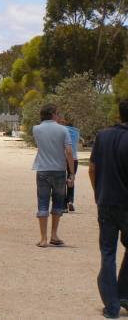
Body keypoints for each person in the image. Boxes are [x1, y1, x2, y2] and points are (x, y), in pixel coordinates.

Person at [89, 100, 128, 319]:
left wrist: (98, 194)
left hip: (106, 203)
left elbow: (92, 169)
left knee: (108, 252)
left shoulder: (102, 136)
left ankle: (112, 305)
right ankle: (123, 293)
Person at [32, 103, 75, 247]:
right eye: (57, 113)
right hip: (59, 171)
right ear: (53, 114)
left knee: (42, 202)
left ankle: (43, 238)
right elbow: (69, 151)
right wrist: (72, 173)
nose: (59, 115)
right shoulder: (63, 130)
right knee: (57, 202)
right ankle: (54, 235)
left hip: (42, 169)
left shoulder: (36, 129)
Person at [64, 117, 81, 212]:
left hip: (63, 159)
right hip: (74, 159)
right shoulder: (77, 132)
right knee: (71, 179)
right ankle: (70, 201)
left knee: (62, 181)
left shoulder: (63, 131)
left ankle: (63, 204)